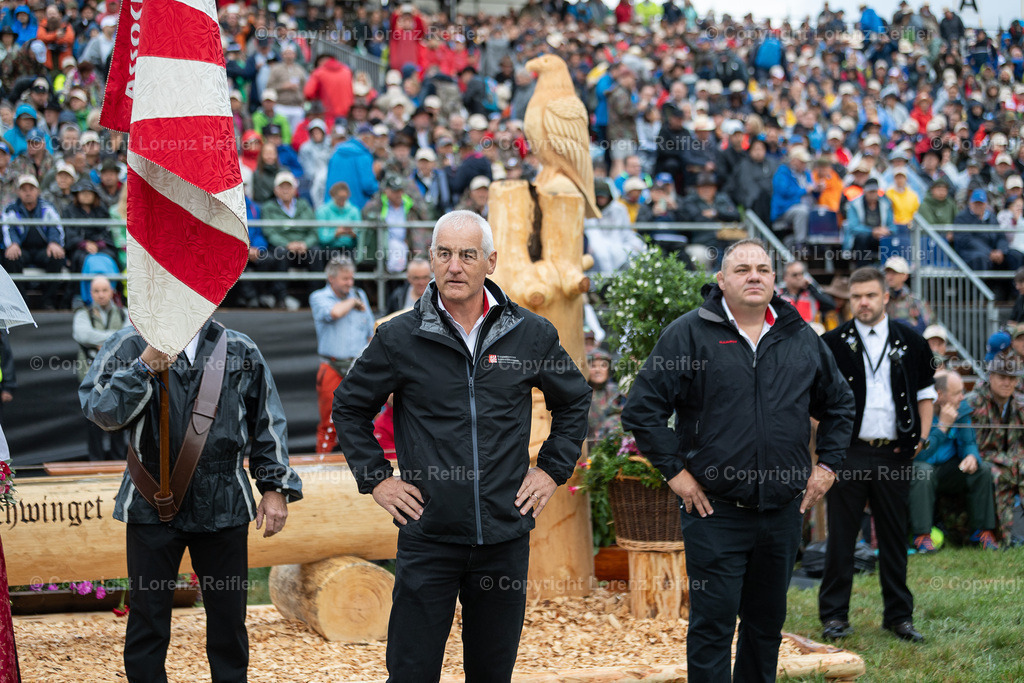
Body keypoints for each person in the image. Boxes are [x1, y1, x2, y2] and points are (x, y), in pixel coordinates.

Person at [332, 210, 591, 681]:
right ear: (431, 259)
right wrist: (377, 481)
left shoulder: (530, 333)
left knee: (492, 674)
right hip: (428, 535)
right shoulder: (399, 337)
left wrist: (552, 469)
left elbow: (574, 401)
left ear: (490, 262)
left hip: (504, 537)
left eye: (467, 255)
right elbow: (349, 408)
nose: (455, 266)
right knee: (411, 672)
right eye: (445, 254)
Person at [622, 239, 855, 682]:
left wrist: (827, 466)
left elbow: (840, 403)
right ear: (721, 280)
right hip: (714, 511)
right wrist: (677, 474)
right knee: (712, 626)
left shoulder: (799, 335)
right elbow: (642, 409)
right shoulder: (689, 332)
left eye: (763, 269)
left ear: (774, 279)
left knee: (766, 627)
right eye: (743, 269)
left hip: (783, 512)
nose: (754, 276)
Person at [80, 318, 303, 682]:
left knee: (229, 621)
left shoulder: (241, 349)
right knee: (148, 621)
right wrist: (143, 367)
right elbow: (101, 412)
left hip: (225, 502)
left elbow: (268, 422)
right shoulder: (126, 345)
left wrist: (275, 488)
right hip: (150, 499)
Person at [818, 266, 936, 645]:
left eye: (870, 295)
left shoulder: (912, 340)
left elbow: (925, 393)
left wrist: (923, 438)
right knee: (841, 537)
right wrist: (830, 446)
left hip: (896, 453)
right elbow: (815, 399)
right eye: (856, 297)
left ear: (886, 297)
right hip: (849, 453)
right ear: (849, 300)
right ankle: (834, 616)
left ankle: (899, 617)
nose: (863, 302)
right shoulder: (834, 342)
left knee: (893, 534)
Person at [910, 370, 998, 552]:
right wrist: (942, 427)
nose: (962, 397)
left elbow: (969, 442)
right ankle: (922, 536)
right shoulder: (918, 409)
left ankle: (981, 533)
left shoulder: (961, 409)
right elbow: (919, 455)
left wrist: (971, 456)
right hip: (918, 469)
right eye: (957, 392)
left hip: (948, 470)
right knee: (923, 471)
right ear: (940, 394)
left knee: (983, 470)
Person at [310, 256, 374, 455]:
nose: (350, 283)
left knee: (364, 418)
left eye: (352, 278)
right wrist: (353, 301)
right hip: (332, 366)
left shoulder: (359, 294)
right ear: (332, 278)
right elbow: (334, 313)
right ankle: (322, 464)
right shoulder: (318, 297)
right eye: (345, 279)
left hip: (358, 367)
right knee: (329, 421)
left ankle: (365, 465)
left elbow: (371, 330)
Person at [966, 354, 1024, 547]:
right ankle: (1004, 536)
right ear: (991, 377)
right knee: (997, 475)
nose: (1007, 383)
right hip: (978, 463)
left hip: (1009, 461)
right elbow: (975, 447)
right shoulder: (974, 403)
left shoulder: (1019, 404)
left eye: (1012, 378)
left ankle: (1016, 533)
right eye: (1002, 377)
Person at [73, 275, 130, 460]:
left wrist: (101, 342)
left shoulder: (124, 313)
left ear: (112, 291)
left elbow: (130, 333)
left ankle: (118, 461)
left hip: (118, 377)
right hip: (90, 378)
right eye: (96, 291)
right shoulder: (83, 314)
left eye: (104, 290)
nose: (101, 295)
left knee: (118, 421)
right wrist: (114, 340)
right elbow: (83, 334)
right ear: (91, 293)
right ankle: (94, 462)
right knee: (92, 423)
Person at [883, 256, 931, 334]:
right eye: (887, 272)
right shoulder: (880, 300)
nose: (889, 277)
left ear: (905, 276)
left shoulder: (915, 301)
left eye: (894, 273)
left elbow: (929, 326)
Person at [587, 348, 624, 444]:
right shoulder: (580, 394)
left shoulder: (616, 392)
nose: (597, 370)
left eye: (603, 365)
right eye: (593, 366)